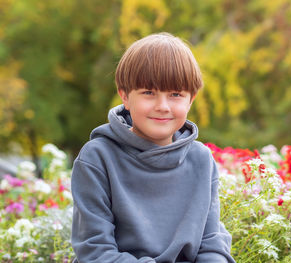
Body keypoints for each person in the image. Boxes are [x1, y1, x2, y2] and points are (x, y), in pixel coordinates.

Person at [71, 32, 235, 263]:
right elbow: (95, 251)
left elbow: (212, 245)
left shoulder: (201, 160)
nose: (163, 106)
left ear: (191, 99)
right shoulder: (98, 158)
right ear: (125, 96)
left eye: (176, 94)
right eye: (149, 92)